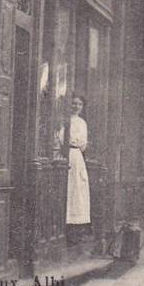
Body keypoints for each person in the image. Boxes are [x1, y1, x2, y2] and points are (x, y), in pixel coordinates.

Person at [60, 94, 91, 244]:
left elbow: (82, 143)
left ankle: (75, 230)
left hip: (76, 157)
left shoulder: (82, 123)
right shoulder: (64, 120)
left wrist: (73, 142)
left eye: (79, 104)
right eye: (74, 103)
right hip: (65, 154)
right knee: (66, 190)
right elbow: (60, 138)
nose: (76, 107)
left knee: (77, 192)